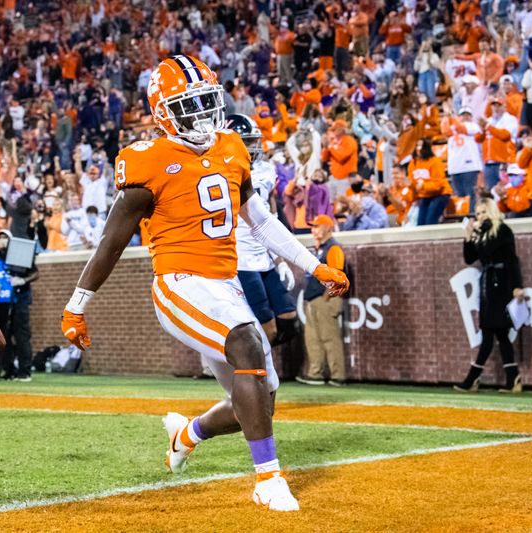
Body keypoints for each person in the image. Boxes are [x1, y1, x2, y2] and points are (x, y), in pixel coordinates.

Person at [60, 55, 348, 512]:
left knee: (260, 397)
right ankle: (268, 480)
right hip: (178, 283)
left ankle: (186, 433)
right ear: (162, 112)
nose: (200, 114)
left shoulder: (231, 147)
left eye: (205, 102)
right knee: (248, 343)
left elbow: (261, 221)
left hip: (224, 283)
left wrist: (315, 266)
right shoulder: (146, 160)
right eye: (187, 105)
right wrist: (77, 304)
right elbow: (110, 242)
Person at [226, 114, 298, 346]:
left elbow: (271, 216)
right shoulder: (223, 171)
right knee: (267, 326)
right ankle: (255, 373)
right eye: (246, 142)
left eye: (252, 140)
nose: (252, 146)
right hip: (242, 260)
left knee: (289, 317)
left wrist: (281, 260)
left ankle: (257, 365)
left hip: (264, 256)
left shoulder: (266, 169)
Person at [455, 198, 524, 393]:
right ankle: (513, 377)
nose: (480, 216)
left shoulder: (502, 230)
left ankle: (473, 378)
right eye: (477, 213)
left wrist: (517, 286)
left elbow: (512, 259)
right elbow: (470, 258)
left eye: (484, 212)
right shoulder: (482, 233)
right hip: (487, 284)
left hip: (500, 284)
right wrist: (468, 237)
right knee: (500, 333)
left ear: (492, 211)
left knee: (489, 331)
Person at [296, 215, 347, 386]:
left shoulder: (333, 248)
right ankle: (315, 373)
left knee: (330, 337)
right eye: (313, 226)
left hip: (325, 299)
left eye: (317, 226)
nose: (313, 229)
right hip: (313, 299)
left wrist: (327, 298)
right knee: (313, 339)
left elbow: (337, 274)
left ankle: (338, 375)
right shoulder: (318, 249)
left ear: (328, 228)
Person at [0, 229, 38, 381]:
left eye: (5, 238)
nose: (2, 240)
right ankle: (8, 369)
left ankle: (24, 371)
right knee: (2, 339)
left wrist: (23, 280)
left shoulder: (19, 256)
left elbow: (35, 273)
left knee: (21, 336)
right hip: (0, 302)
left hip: (18, 300)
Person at [409, 139, 452, 226]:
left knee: (430, 221)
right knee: (420, 224)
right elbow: (414, 186)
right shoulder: (412, 164)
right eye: (417, 146)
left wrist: (423, 185)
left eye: (420, 146)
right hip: (425, 196)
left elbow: (438, 184)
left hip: (441, 194)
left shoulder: (435, 162)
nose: (418, 148)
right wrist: (411, 188)